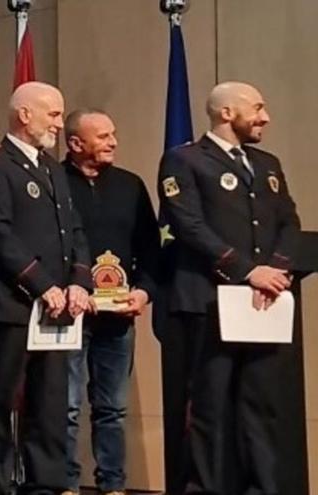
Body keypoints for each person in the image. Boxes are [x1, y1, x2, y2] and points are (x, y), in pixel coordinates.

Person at [157, 81, 300, 495]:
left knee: (261, 406)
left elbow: (288, 222)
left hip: (263, 303)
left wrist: (275, 269)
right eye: (257, 107)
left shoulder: (267, 163)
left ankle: (263, 487)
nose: (265, 117)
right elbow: (187, 224)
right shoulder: (184, 160)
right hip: (209, 300)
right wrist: (246, 271)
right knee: (209, 405)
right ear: (226, 113)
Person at [0, 81, 92, 495]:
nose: (60, 123)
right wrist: (41, 283)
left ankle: (46, 482)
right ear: (25, 115)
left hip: (58, 307)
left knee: (50, 400)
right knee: (1, 398)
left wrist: (79, 282)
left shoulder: (52, 166)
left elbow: (73, 229)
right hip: (15, 304)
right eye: (53, 114)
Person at [62, 109, 160, 495]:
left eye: (113, 134)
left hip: (119, 316)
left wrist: (143, 291)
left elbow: (151, 250)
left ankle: (113, 486)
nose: (113, 142)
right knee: (66, 409)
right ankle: (66, 485)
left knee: (112, 410)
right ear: (75, 144)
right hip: (68, 314)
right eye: (102, 136)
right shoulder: (54, 182)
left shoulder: (131, 185)